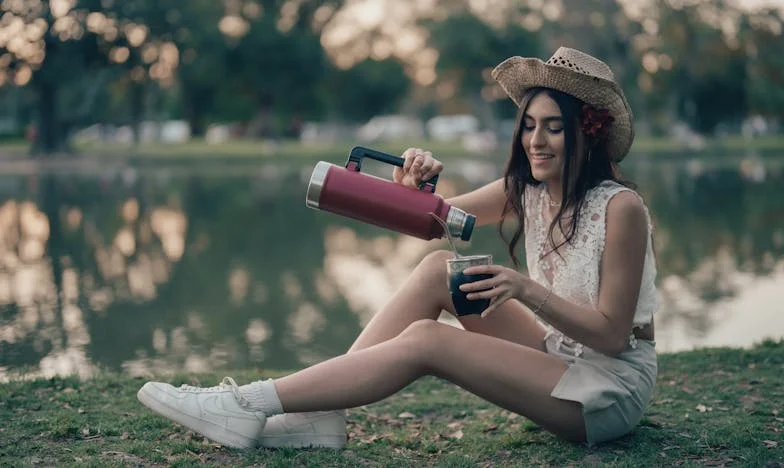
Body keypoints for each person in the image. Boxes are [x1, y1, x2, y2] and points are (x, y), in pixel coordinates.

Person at [136, 46, 659, 449]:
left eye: (554, 128)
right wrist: (410, 187)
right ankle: (318, 417)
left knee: (429, 341)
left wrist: (523, 288)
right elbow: (438, 220)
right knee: (439, 271)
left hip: (606, 391)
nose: (535, 142)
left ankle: (244, 402)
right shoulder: (526, 191)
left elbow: (614, 337)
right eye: (528, 126)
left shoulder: (621, 208)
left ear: (587, 134)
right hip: (559, 358)